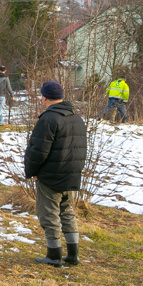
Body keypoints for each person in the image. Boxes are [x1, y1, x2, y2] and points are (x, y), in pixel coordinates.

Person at [24, 80, 87, 267]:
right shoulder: (77, 118)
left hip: (51, 175)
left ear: (44, 97)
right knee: (67, 212)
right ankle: (73, 255)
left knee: (49, 214)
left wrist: (32, 171)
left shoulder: (48, 119)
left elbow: (38, 150)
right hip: (72, 174)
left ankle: (53, 256)